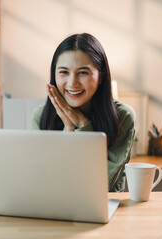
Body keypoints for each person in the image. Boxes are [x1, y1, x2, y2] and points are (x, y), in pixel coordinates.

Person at [30, 33, 136, 192]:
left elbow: (101, 184)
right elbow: (44, 182)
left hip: (105, 210)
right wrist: (69, 129)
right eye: (64, 72)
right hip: (53, 210)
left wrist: (83, 126)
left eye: (83, 72)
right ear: (54, 75)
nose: (72, 83)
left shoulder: (123, 116)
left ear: (101, 76)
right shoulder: (40, 117)